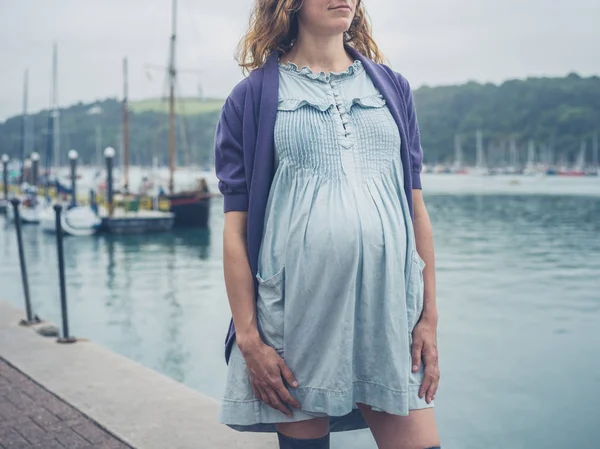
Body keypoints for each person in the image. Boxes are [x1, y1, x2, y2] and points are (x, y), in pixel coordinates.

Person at [215, 1, 441, 448]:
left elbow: (416, 211)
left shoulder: (392, 88)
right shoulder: (252, 98)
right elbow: (235, 231)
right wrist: (249, 339)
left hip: (390, 310)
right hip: (296, 316)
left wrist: (429, 318)